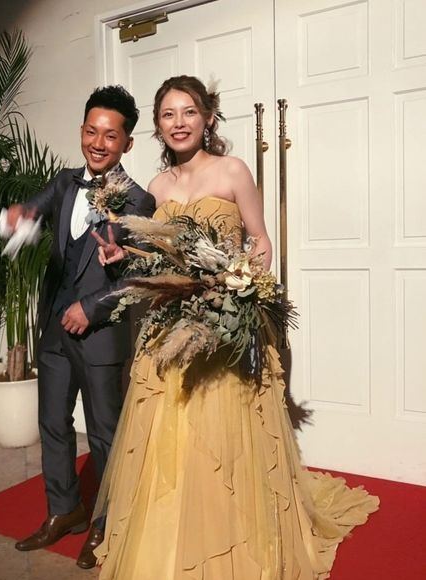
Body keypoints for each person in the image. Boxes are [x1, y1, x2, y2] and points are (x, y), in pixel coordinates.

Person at [92, 75, 379, 580]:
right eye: (168, 114)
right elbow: (158, 257)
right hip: (171, 328)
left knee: (225, 441)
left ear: (208, 118)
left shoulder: (233, 170)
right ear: (157, 125)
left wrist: (241, 285)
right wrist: (123, 255)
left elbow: (260, 240)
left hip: (224, 328)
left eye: (189, 112)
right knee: (172, 440)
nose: (179, 123)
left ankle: (236, 542)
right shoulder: (156, 187)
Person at [5, 85, 156, 569]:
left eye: (110, 135)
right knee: (52, 423)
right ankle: (64, 510)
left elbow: (137, 276)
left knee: (105, 434)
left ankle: (106, 526)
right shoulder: (64, 181)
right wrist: (21, 215)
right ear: (81, 132)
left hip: (100, 334)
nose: (98, 142)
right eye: (92, 131)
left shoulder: (139, 201)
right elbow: (33, 208)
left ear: (127, 143)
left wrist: (91, 308)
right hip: (53, 327)